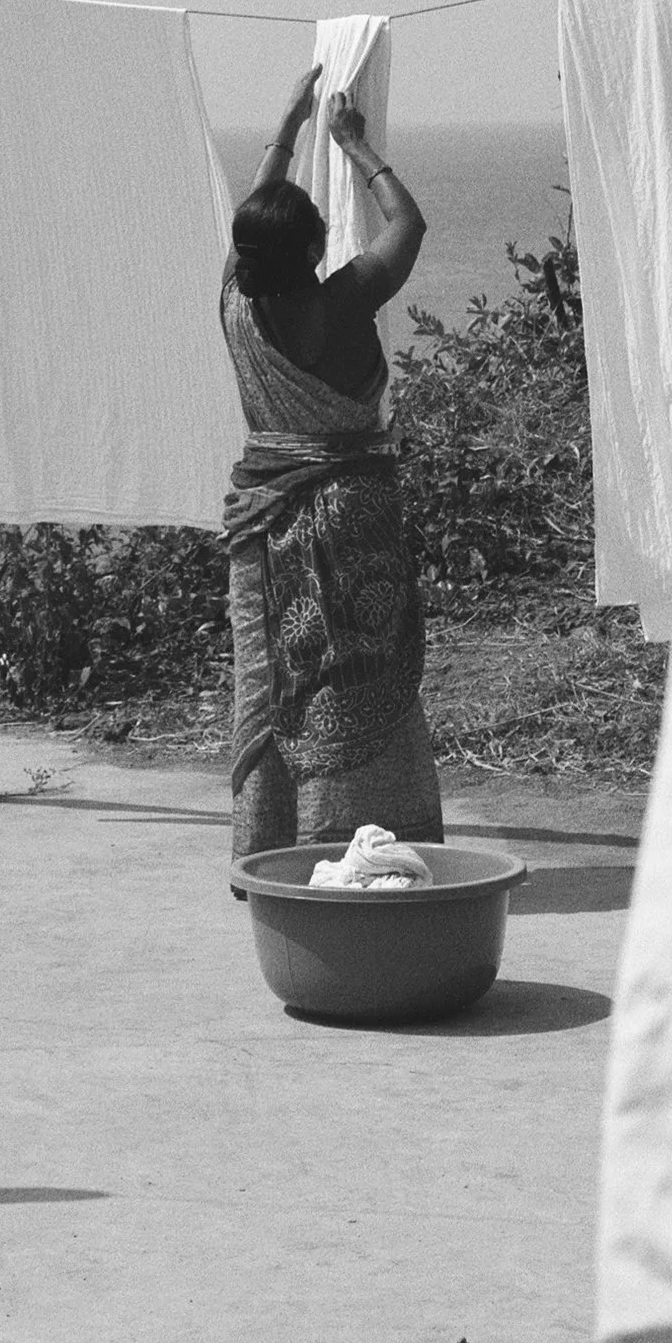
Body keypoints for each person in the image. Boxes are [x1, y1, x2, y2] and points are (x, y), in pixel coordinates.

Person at [220, 63, 439, 863]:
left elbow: (253, 222)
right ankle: (367, 841)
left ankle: (273, 846)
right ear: (315, 248)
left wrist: (288, 123)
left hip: (261, 521)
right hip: (351, 515)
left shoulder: (235, 305)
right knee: (357, 679)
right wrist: (357, 146)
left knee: (272, 680)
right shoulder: (341, 304)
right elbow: (406, 227)